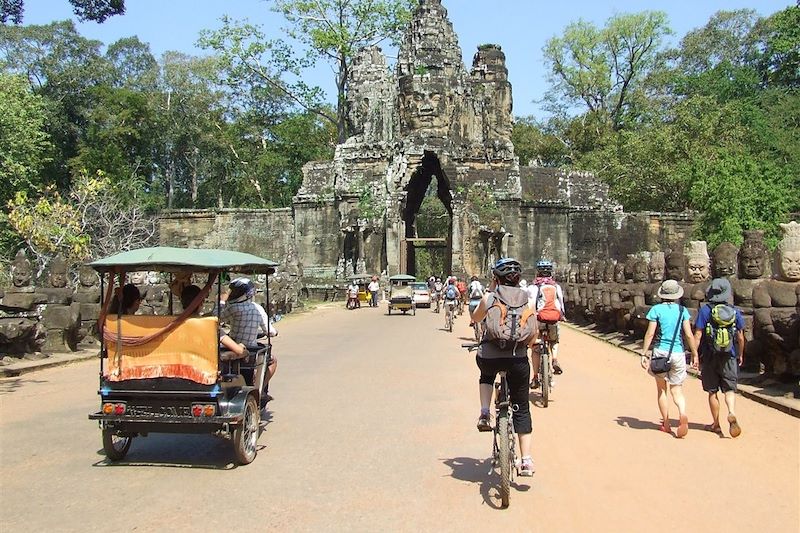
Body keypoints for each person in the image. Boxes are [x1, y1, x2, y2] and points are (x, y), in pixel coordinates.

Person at [469, 258, 536, 476]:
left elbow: (475, 317)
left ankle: (485, 413)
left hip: (490, 356)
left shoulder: (490, 297)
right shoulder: (528, 300)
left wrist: (489, 296)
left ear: (495, 278)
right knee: (522, 407)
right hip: (518, 358)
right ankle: (526, 460)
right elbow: (533, 332)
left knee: (486, 376)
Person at [641, 279, 699, 438]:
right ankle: (682, 412)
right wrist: (694, 353)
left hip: (661, 352)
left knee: (661, 390)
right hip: (678, 352)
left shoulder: (656, 310)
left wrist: (644, 352)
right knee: (677, 389)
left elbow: (650, 333)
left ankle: (666, 423)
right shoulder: (682, 311)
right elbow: (688, 334)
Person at [693, 278, 745, 437]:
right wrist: (741, 353)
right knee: (729, 389)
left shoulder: (705, 310)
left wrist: (695, 354)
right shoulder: (734, 311)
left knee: (712, 390)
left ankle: (716, 424)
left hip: (709, 355)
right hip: (729, 354)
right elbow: (741, 336)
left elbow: (698, 334)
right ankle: (731, 411)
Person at [527, 260, 566, 388]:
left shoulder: (533, 287)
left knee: (535, 348)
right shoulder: (556, 287)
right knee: (554, 340)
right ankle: (554, 359)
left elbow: (530, 305)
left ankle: (535, 377)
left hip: (539, 319)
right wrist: (562, 315)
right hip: (553, 318)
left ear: (537, 273)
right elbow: (560, 303)